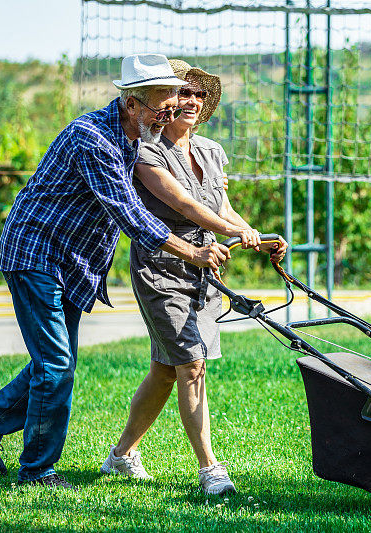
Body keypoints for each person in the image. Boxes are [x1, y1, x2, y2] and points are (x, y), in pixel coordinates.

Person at [0, 54, 232, 490]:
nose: (169, 114)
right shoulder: (93, 139)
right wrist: (190, 253)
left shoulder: (139, 136)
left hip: (72, 263)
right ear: (132, 104)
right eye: (162, 106)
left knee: (52, 364)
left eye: (172, 103)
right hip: (35, 253)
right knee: (57, 365)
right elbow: (130, 216)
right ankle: (37, 471)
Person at [99, 59, 287, 495]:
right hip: (161, 269)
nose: (192, 100)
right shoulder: (145, 151)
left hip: (207, 271)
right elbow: (182, 204)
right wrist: (234, 232)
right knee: (191, 365)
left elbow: (220, 209)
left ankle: (121, 455)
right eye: (183, 92)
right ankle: (210, 470)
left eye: (199, 94)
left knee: (165, 370)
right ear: (166, 102)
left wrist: (254, 236)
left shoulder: (212, 151)